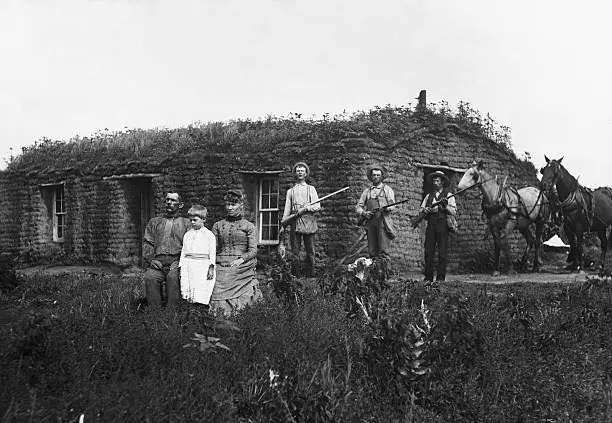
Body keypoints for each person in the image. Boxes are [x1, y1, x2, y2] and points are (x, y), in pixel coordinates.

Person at [210, 189, 262, 314]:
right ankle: (219, 315)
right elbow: (212, 249)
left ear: (241, 206)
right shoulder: (218, 225)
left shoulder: (248, 226)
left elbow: (253, 250)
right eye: (228, 204)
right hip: (220, 262)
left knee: (230, 273)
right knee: (216, 278)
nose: (230, 208)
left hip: (241, 263)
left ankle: (236, 313)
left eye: (233, 205)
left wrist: (240, 260)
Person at [143, 192, 190, 308]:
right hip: (158, 262)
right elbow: (147, 243)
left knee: (172, 278)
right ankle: (155, 314)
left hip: (177, 262)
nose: (169, 202)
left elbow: (190, 246)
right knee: (150, 277)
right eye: (167, 200)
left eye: (173, 200)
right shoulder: (154, 222)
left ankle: (171, 313)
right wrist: (151, 260)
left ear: (181, 205)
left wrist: (180, 262)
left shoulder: (187, 223)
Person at [282, 161, 321, 277]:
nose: (300, 173)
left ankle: (311, 275)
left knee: (310, 250)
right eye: (298, 171)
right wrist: (283, 225)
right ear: (295, 173)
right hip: (295, 222)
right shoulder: (291, 191)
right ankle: (296, 275)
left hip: (309, 222)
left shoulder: (311, 189)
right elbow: (286, 211)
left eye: (302, 171)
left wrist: (306, 208)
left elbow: (317, 206)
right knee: (295, 251)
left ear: (306, 174)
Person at [419, 171, 457, 283]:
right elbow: (421, 209)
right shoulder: (428, 196)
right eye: (434, 181)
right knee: (428, 251)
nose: (435, 183)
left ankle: (440, 277)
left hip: (443, 225)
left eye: (438, 181)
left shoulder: (449, 195)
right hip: (431, 224)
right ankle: (428, 277)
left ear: (442, 182)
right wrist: (425, 210)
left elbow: (454, 211)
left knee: (442, 252)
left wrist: (445, 207)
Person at [355, 166, 397, 260]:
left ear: (382, 176)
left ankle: (384, 272)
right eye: (374, 175)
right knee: (372, 249)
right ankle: (373, 271)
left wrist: (386, 208)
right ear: (371, 177)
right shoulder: (367, 191)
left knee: (383, 249)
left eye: (378, 175)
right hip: (370, 222)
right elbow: (358, 207)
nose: (376, 177)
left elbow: (393, 205)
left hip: (383, 221)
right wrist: (364, 213)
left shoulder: (387, 189)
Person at [179, 205, 216, 305]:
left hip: (202, 265)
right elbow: (183, 252)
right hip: (188, 264)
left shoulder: (209, 235)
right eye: (190, 220)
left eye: (195, 220)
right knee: (188, 287)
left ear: (203, 219)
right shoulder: (187, 235)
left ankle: (200, 309)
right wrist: (181, 266)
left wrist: (211, 267)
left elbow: (212, 252)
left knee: (200, 289)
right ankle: (189, 309)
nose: (192, 222)